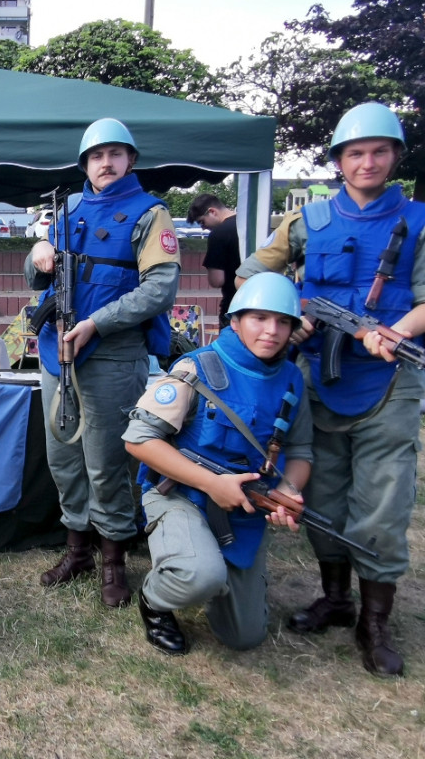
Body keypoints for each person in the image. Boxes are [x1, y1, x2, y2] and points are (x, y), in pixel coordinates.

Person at [235, 102, 425, 677]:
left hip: (390, 381)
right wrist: (293, 312)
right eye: (354, 153)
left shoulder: (418, 221)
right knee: (323, 495)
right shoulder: (306, 222)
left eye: (378, 151)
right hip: (319, 378)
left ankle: (374, 623)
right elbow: (250, 274)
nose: (366, 162)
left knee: (383, 503)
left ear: (395, 157)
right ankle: (336, 598)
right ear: (339, 161)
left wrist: (396, 333)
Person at [25, 118, 180, 606]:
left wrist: (98, 323)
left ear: (130, 160)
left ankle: (114, 557)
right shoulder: (67, 209)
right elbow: (34, 278)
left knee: (107, 461)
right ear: (85, 163)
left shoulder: (150, 214)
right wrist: (38, 252)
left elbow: (160, 289)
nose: (105, 163)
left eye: (115, 153)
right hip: (57, 352)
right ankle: (78, 550)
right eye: (96, 155)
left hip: (111, 354)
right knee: (63, 458)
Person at [124, 272, 312, 654]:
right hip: (180, 496)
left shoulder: (292, 379)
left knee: (244, 637)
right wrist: (211, 484)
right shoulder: (198, 367)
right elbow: (138, 439)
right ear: (235, 320)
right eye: (259, 318)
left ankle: (211, 573)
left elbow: (302, 449)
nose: (271, 331)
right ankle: (155, 600)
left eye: (283, 321)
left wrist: (287, 491)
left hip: (244, 507)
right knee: (200, 575)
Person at [187, 193, 240, 329]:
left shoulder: (218, 234)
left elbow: (217, 280)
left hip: (233, 306)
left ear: (212, 212)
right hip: (259, 303)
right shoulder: (250, 225)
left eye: (202, 222)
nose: (203, 228)